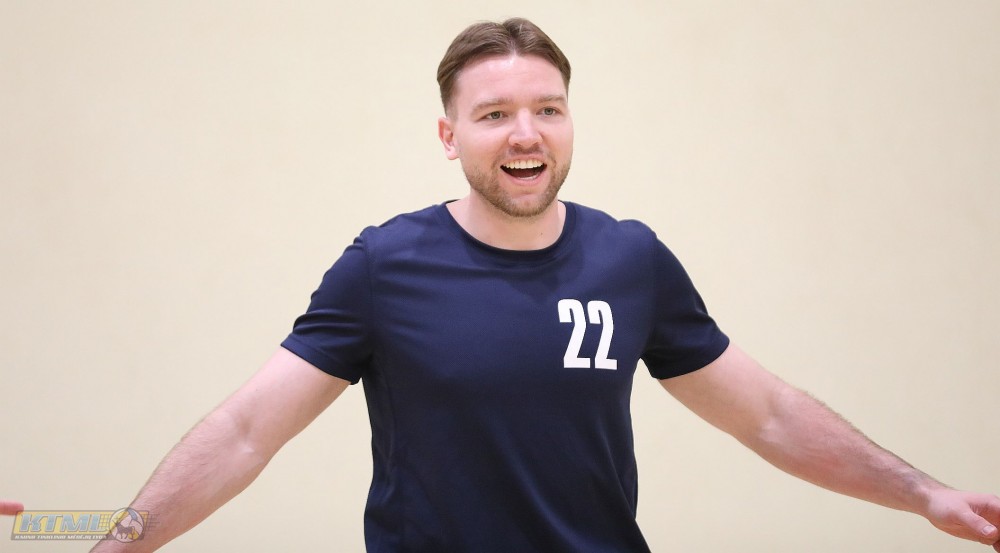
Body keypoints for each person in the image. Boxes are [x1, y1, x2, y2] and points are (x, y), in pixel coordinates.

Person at [90, 18, 999, 553]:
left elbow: (768, 415)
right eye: (494, 114)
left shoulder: (630, 259)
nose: (525, 133)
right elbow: (246, 431)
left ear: (569, 121)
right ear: (449, 136)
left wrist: (924, 494)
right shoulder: (383, 265)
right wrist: (113, 543)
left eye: (547, 110)